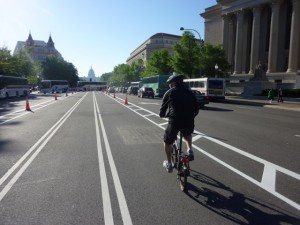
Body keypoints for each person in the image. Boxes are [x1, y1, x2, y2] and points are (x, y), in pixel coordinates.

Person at [159, 74, 199, 173]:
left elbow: (162, 112)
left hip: (174, 121)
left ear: (174, 82)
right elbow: (196, 109)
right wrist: (190, 116)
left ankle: (169, 164)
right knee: (187, 133)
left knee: (167, 142)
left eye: (170, 82)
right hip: (188, 120)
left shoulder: (169, 92)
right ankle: (189, 149)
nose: (169, 84)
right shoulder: (190, 93)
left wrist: (164, 115)